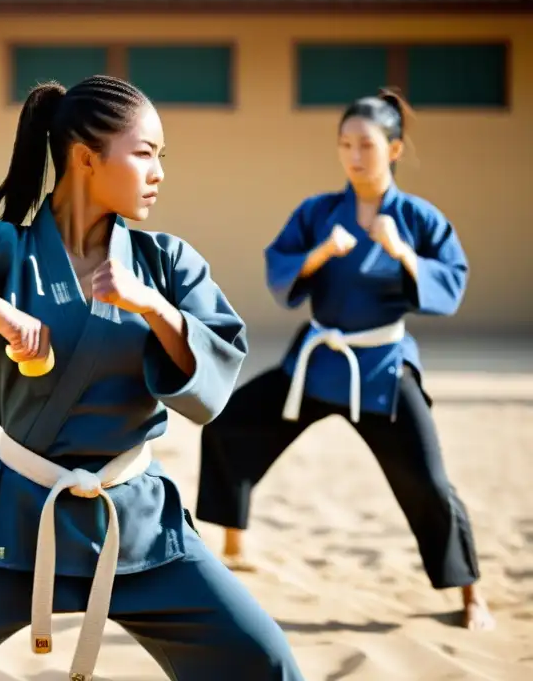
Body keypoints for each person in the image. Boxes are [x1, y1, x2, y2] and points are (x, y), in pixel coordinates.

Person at [0, 76, 302, 681]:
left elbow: (215, 378)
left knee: (264, 660)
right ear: (85, 156)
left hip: (134, 522)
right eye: (145, 152)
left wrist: (154, 309)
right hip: (16, 519)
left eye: (161, 157)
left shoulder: (166, 264)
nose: (159, 172)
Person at [195, 91, 494, 631]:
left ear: (395, 148)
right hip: (316, 362)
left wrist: (402, 251)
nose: (354, 156)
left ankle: (471, 594)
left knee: (427, 480)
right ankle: (234, 538)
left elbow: (449, 283)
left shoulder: (419, 219)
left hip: (381, 368)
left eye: (367, 145)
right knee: (229, 423)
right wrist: (320, 253)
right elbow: (280, 267)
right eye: (345, 145)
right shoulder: (316, 213)